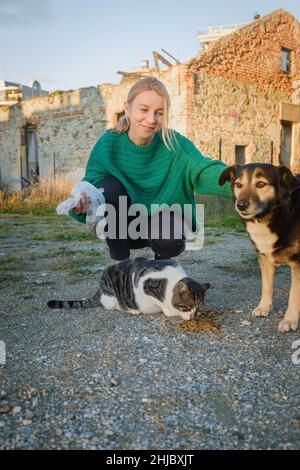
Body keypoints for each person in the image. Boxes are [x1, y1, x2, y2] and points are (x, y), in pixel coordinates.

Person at [70, 77, 231, 262]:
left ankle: (161, 269)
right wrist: (82, 200)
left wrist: (241, 182)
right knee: (109, 185)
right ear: (128, 108)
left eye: (159, 112)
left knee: (169, 234)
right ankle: (122, 267)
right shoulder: (108, 143)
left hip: (162, 227)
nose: (151, 119)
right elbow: (91, 184)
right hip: (124, 228)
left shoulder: (175, 143)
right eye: (144, 110)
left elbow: (201, 169)